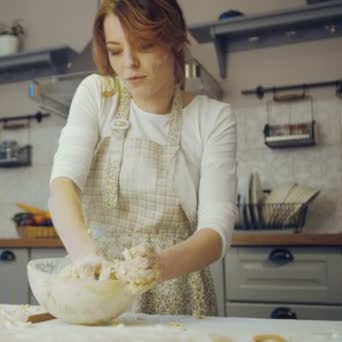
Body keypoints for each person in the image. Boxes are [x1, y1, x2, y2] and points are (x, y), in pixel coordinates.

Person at [48, 0, 237, 316]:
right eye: (116, 50)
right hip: (95, 281)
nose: (129, 63)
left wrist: (157, 266)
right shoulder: (97, 94)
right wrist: (85, 254)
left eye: (145, 46)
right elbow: (62, 184)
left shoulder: (213, 118)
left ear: (174, 43)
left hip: (176, 289)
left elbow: (216, 231)